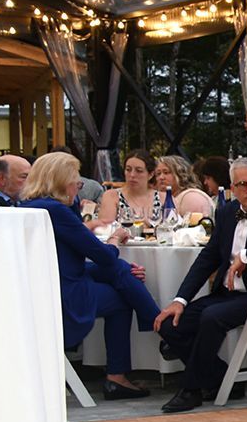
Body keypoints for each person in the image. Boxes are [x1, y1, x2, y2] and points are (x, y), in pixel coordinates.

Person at [154, 157, 247, 413]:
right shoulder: (225, 213)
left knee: (212, 317)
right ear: (233, 188)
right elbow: (207, 258)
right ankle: (223, 379)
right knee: (170, 324)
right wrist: (180, 300)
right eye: (242, 184)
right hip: (230, 294)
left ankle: (191, 390)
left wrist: (246, 256)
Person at [19, 153, 160, 400]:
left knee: (123, 271)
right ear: (61, 182)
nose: (79, 187)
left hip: (45, 281)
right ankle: (122, 369)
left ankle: (155, 322)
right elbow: (102, 255)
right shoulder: (56, 210)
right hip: (64, 290)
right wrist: (116, 239)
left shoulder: (29, 205)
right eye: (76, 181)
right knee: (121, 296)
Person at [97, 150, 162, 227]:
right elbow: (105, 227)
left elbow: (174, 227)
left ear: (151, 174)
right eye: (128, 170)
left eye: (139, 171)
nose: (132, 175)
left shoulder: (163, 198)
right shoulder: (112, 196)